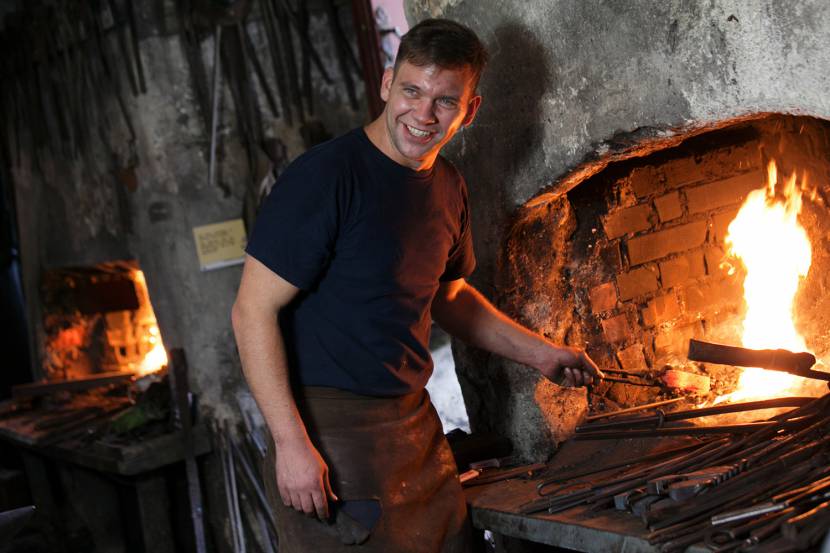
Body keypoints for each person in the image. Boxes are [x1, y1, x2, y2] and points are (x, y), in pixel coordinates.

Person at [232, 18, 603, 553]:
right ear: (387, 84)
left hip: (414, 427)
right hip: (330, 434)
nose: (423, 114)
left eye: (445, 101)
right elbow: (251, 313)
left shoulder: (448, 187)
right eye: (412, 90)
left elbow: (448, 296)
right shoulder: (324, 179)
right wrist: (291, 445)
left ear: (469, 111)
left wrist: (542, 354)